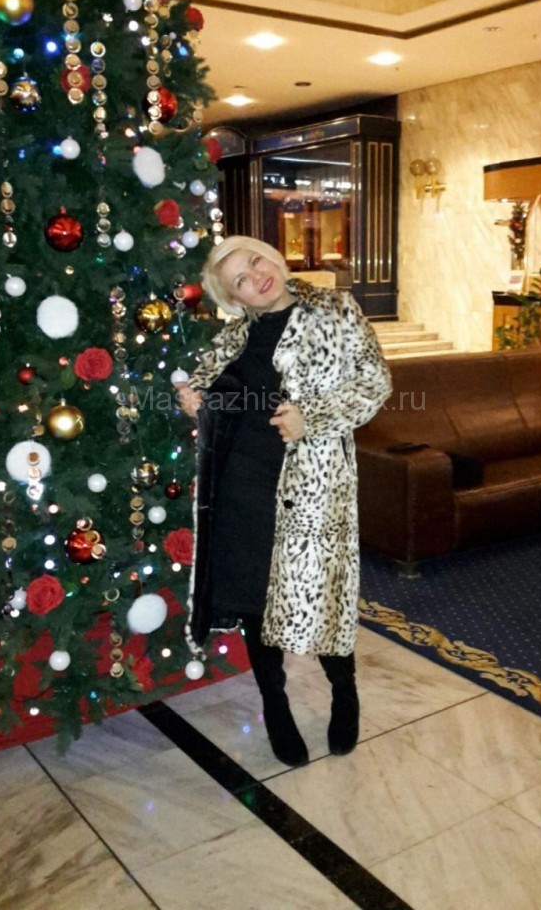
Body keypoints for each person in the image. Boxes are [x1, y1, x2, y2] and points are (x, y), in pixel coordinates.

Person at [176, 235, 392, 767]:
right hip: (243, 486)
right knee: (256, 600)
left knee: (327, 594)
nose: (256, 277)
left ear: (271, 254)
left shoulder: (336, 309)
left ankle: (345, 692)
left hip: (315, 486)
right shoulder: (234, 336)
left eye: (255, 261)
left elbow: (376, 382)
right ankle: (275, 704)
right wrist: (193, 399)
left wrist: (312, 418)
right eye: (240, 281)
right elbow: (209, 390)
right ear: (235, 299)